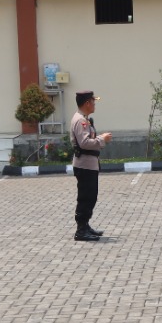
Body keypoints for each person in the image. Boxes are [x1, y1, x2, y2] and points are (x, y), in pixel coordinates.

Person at [71, 90, 112, 241]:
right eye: (93, 101)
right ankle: (81, 230)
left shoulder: (84, 119)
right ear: (87, 103)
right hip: (84, 165)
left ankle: (85, 225)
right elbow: (84, 143)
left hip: (89, 164)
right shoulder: (80, 120)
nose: (94, 104)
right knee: (85, 197)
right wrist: (102, 139)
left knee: (91, 197)